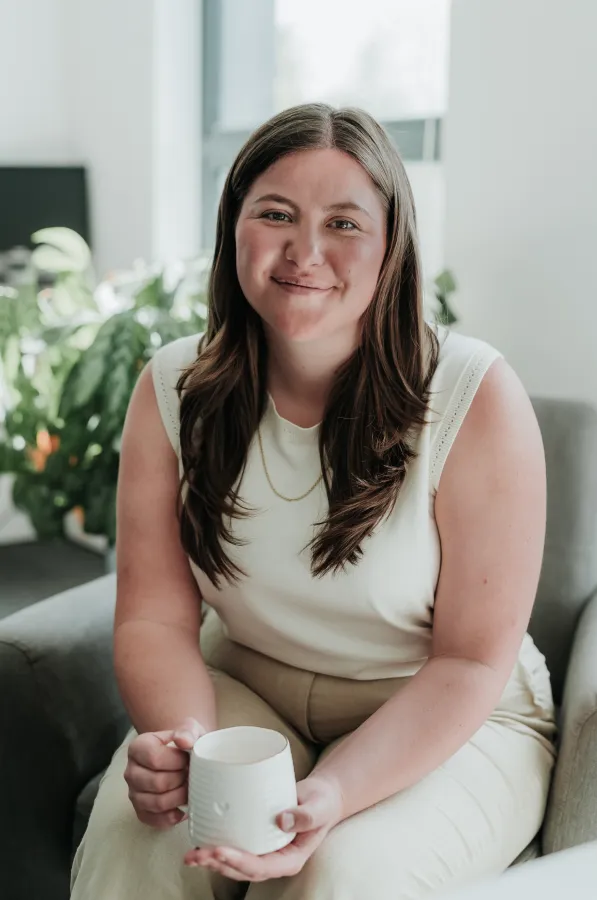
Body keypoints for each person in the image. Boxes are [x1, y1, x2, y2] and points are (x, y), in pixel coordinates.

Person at [70, 103, 556, 900]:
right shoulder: (172, 388)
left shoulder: (475, 396)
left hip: (445, 707)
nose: (305, 251)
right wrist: (191, 745)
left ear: (391, 245)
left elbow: (470, 659)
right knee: (142, 840)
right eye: (276, 214)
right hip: (249, 687)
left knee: (333, 876)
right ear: (234, 228)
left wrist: (333, 792)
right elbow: (155, 617)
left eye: (343, 222)